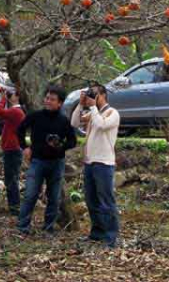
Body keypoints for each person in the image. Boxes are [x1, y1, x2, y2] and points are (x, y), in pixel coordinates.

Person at [16, 85, 77, 235]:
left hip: (57, 162)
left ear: (60, 103)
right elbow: (20, 129)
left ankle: (48, 228)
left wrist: (60, 146)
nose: (48, 101)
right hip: (37, 161)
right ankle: (22, 227)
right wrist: (25, 147)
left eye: (52, 99)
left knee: (54, 197)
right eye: (47, 98)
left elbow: (73, 141)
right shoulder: (35, 116)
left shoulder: (63, 121)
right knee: (30, 194)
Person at [71, 83, 121, 247]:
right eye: (90, 93)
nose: (92, 97)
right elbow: (74, 123)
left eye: (95, 94)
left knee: (106, 200)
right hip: (90, 162)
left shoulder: (113, 113)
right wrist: (80, 104)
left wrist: (92, 107)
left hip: (104, 163)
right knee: (91, 199)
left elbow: (101, 125)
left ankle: (111, 236)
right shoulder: (94, 113)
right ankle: (97, 232)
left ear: (103, 95)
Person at [0, 85, 26, 216]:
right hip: (12, 149)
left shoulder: (16, 112)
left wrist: (2, 99)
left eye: (12, 94)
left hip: (12, 149)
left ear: (17, 97)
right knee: (11, 179)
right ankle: (14, 207)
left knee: (11, 180)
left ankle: (15, 208)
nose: (9, 96)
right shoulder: (16, 111)